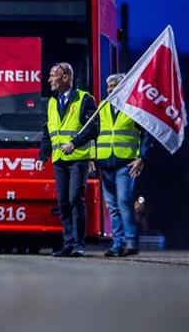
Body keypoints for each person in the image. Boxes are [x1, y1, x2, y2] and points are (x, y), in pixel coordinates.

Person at [38, 62, 98, 257]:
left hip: (78, 158)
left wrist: (74, 143)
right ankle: (68, 242)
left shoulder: (85, 99)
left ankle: (79, 244)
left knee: (75, 199)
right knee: (63, 201)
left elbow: (93, 128)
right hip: (59, 159)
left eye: (53, 75)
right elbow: (48, 131)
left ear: (66, 78)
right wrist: (43, 155)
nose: (49, 79)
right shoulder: (51, 102)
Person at [97, 73, 150, 257]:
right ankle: (117, 244)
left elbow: (146, 134)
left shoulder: (134, 107)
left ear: (123, 87)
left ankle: (131, 242)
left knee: (124, 201)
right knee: (112, 206)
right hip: (105, 162)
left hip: (126, 162)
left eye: (114, 86)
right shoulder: (102, 106)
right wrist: (92, 157)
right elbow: (94, 133)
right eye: (108, 86)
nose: (110, 90)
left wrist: (142, 157)